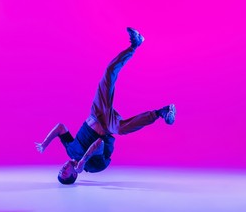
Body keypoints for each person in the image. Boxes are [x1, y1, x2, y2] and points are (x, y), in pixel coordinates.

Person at [35, 27, 176, 185]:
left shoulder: (69, 150)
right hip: (108, 126)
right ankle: (162, 112)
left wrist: (44, 144)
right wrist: (83, 160)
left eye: (61, 171)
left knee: (108, 73)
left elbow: (61, 127)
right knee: (121, 129)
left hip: (96, 113)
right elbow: (100, 143)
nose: (63, 170)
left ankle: (135, 45)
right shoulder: (94, 167)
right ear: (74, 176)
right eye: (65, 174)